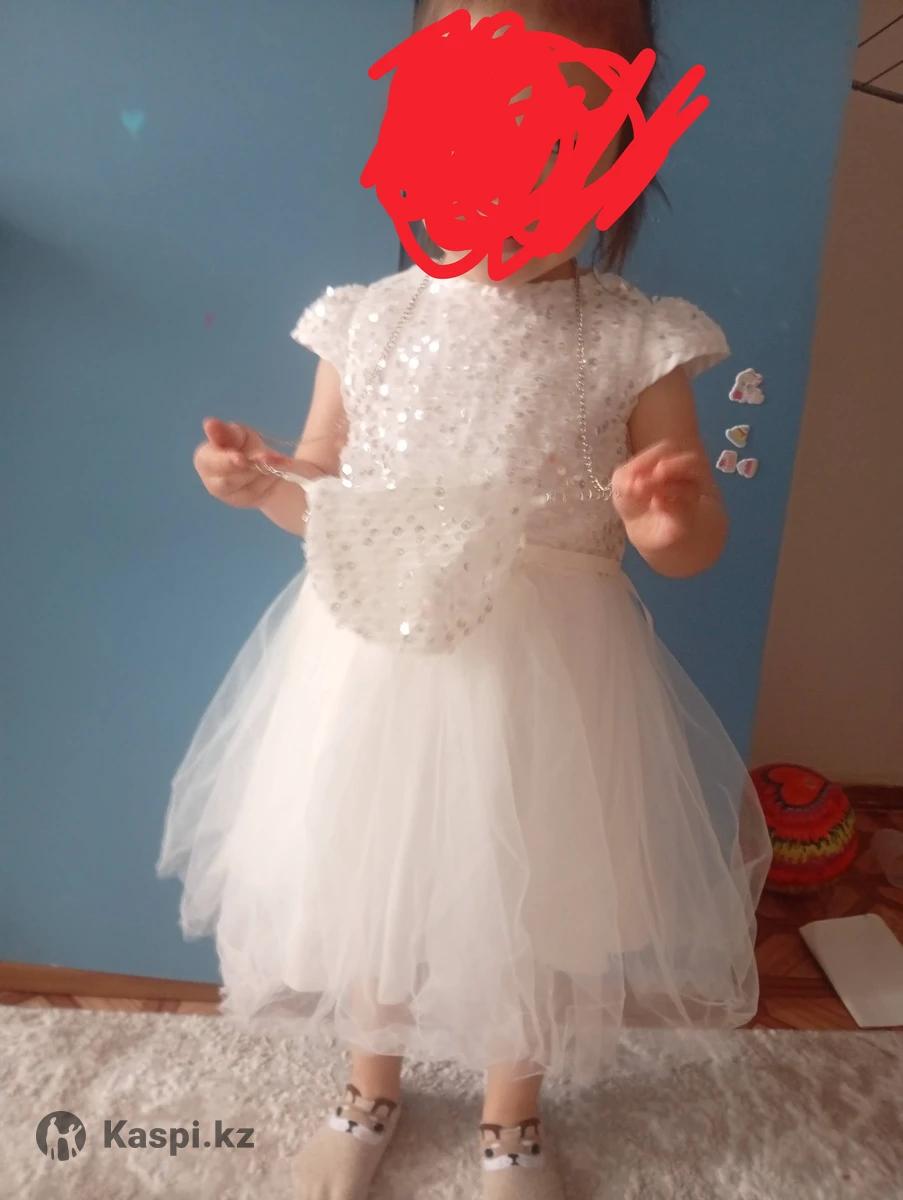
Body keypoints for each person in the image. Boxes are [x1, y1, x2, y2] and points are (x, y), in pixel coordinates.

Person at [156, 2, 774, 1197]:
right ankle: (367, 1088)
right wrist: (263, 482)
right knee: (371, 883)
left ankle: (511, 1121)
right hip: (374, 662)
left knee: (533, 905)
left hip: (550, 684)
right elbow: (326, 501)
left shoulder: (636, 340)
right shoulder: (368, 321)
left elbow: (689, 541)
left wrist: (669, 522)